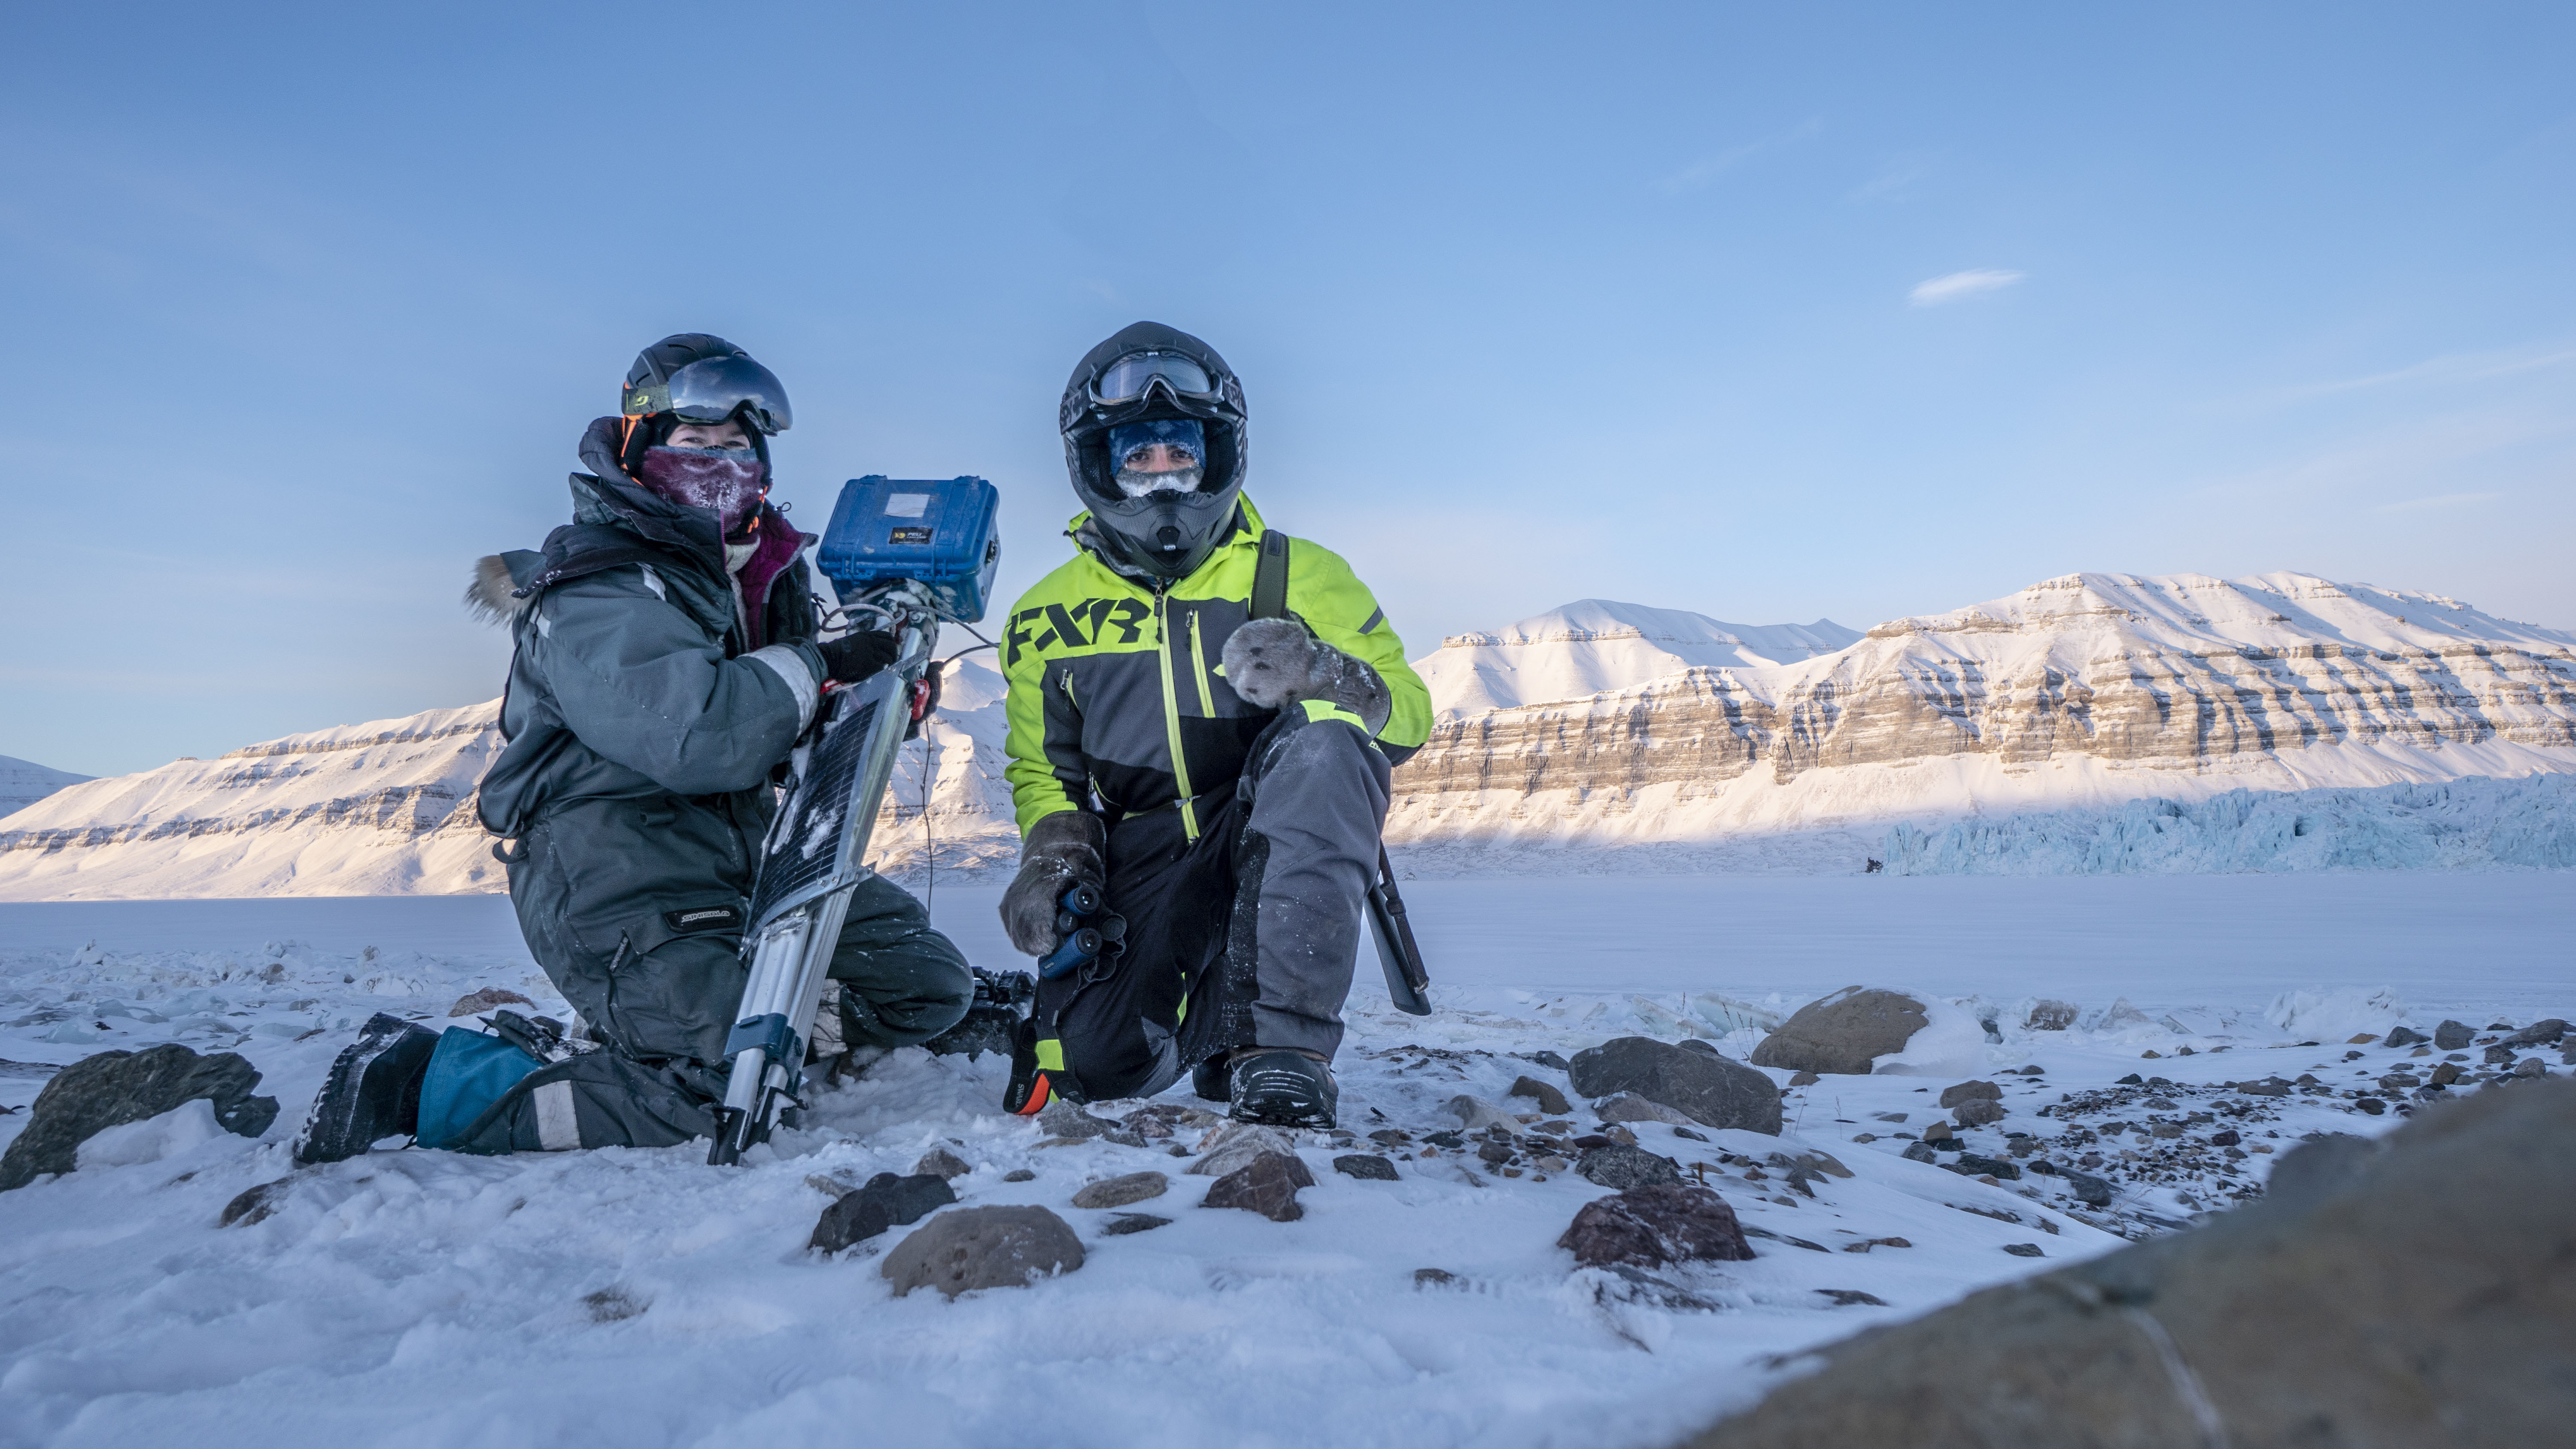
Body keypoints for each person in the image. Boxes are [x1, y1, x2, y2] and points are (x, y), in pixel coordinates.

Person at [294, 334, 974, 1162]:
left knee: (928, 989)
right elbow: (701, 734)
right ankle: (424, 1081)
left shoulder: (762, 575)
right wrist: (820, 663)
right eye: (694, 444)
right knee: (726, 1085)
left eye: (737, 446)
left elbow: (789, 726)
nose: (719, 462)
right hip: (612, 866)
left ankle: (697, 1021)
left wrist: (881, 698)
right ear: (640, 448)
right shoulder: (595, 586)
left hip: (746, 852)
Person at [995, 321, 1431, 1128]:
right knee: (1093, 1069)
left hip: (1276, 814)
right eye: (1139, 455)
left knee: (1326, 746)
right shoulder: (1044, 614)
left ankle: (1282, 1052)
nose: (1162, 474)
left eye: (1180, 452)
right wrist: (1053, 858)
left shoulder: (1303, 573)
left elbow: (1405, 720)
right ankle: (1208, 1028)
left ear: (1217, 455)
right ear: (1098, 464)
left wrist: (1327, 673)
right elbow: (1044, 771)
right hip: (1147, 842)